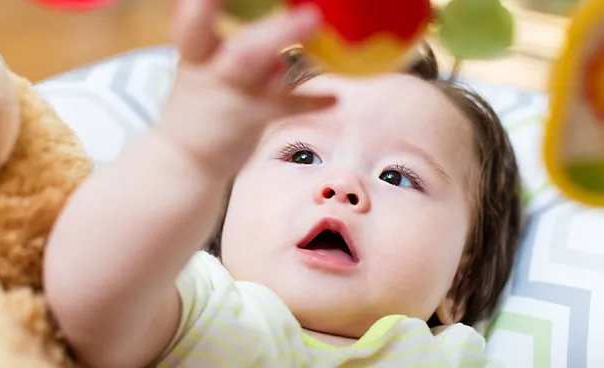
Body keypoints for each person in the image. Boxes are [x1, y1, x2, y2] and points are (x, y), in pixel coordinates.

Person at [43, 1, 522, 367]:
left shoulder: (454, 356)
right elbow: (85, 303)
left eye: (396, 177)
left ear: (461, 282)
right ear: (220, 212)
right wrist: (184, 154)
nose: (341, 186)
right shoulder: (202, 307)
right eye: (303, 155)